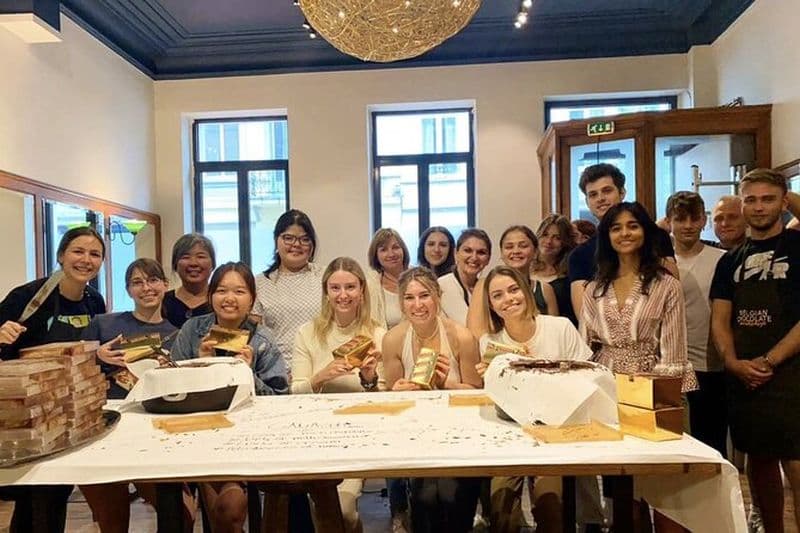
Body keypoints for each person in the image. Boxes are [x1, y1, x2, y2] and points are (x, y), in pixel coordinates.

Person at [582, 202, 696, 533]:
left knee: (662, 489)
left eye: (632, 225)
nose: (625, 233)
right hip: (606, 391)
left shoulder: (665, 284)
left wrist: (659, 402)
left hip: (655, 388)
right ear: (607, 236)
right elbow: (586, 347)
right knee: (620, 489)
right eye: (616, 228)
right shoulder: (594, 288)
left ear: (645, 231)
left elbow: (674, 351)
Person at [0, 226, 106, 533]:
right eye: (78, 251)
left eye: (94, 254)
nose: (86, 259)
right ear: (61, 255)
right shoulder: (29, 297)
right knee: (37, 490)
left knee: (57, 488)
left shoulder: (94, 302)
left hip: (69, 408)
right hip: (27, 408)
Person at [710, 169, 800, 532]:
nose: (759, 207)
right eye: (750, 199)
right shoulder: (729, 260)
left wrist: (771, 360)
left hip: (792, 375)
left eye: (768, 199)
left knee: (796, 462)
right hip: (745, 377)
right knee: (758, 462)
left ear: (784, 202)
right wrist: (732, 362)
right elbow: (720, 319)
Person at [171, 262, 288, 533]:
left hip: (248, 438)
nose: (229, 299)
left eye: (239, 291)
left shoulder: (262, 340)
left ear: (252, 300)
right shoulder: (192, 331)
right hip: (198, 434)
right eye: (221, 290)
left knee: (229, 508)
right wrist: (201, 364)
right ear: (211, 296)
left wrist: (248, 374)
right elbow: (171, 390)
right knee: (225, 509)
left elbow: (280, 398)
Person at [474, 266, 591, 533]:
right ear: (490, 305)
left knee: (550, 506)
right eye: (498, 295)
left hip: (554, 432)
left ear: (526, 291)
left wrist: (532, 368)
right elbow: (502, 404)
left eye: (514, 290)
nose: (509, 299)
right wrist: (494, 378)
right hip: (510, 435)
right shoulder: (490, 342)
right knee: (501, 508)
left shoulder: (560, 327)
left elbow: (585, 380)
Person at [79, 258, 185, 532]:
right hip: (104, 428)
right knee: (112, 521)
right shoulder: (103, 325)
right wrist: (95, 355)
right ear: (128, 290)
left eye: (152, 280)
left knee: (184, 514)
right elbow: (74, 371)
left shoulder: (177, 335)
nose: (146, 288)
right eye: (137, 282)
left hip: (153, 432)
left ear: (165, 285)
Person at [382, 267, 482, 533]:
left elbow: (477, 393)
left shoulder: (461, 337)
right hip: (416, 430)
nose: (418, 305)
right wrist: (398, 391)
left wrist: (447, 385)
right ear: (401, 302)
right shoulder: (393, 339)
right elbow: (390, 396)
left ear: (437, 296)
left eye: (424, 295)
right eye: (409, 298)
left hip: (461, 430)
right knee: (426, 495)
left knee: (451, 493)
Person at [292, 257, 385, 533]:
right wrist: (322, 375)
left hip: (359, 435)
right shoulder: (307, 333)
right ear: (326, 292)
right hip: (314, 434)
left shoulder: (378, 333)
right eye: (335, 288)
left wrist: (369, 378)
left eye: (350, 287)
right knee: (325, 517)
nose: (343, 295)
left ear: (362, 291)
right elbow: (294, 392)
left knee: (342, 513)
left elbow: (386, 398)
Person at [568, 164, 677, 319]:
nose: (600, 198)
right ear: (587, 202)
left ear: (622, 192)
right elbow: (584, 315)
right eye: (593, 194)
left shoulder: (655, 236)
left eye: (607, 190)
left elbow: (672, 288)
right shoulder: (580, 255)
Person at [665, 192, 727, 457]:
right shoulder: (659, 261)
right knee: (672, 443)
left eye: (694, 218)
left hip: (711, 364)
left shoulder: (722, 258)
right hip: (669, 363)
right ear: (669, 221)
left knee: (711, 442)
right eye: (680, 219)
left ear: (704, 220)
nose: (688, 225)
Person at [254, 209, 322, 375]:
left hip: (321, 369)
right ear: (276, 240)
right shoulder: (260, 283)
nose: (296, 245)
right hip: (277, 372)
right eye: (288, 238)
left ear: (312, 245)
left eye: (304, 239)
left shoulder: (326, 277)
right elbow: (255, 337)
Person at [466, 225, 558, 339]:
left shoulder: (545, 289)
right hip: (498, 353)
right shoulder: (484, 285)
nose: (516, 251)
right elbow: (475, 333)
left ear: (535, 252)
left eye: (523, 246)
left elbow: (554, 333)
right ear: (502, 253)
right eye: (509, 247)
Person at [439, 229, 492, 325]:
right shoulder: (443, 285)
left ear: (488, 259)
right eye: (468, 250)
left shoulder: (487, 288)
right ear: (456, 253)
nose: (474, 257)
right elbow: (468, 325)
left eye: (481, 252)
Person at [532, 214, 578, 324]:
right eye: (545, 235)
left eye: (557, 238)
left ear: (565, 242)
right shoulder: (525, 268)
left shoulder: (570, 275)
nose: (548, 241)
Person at [162, 233, 215, 328]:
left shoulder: (221, 301)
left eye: (201, 256)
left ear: (213, 264)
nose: (193, 263)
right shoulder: (162, 302)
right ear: (175, 265)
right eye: (185, 257)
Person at [367, 228, 410, 329]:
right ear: (376, 256)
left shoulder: (419, 278)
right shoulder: (371, 287)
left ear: (403, 250)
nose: (391, 254)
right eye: (383, 250)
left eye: (395, 247)